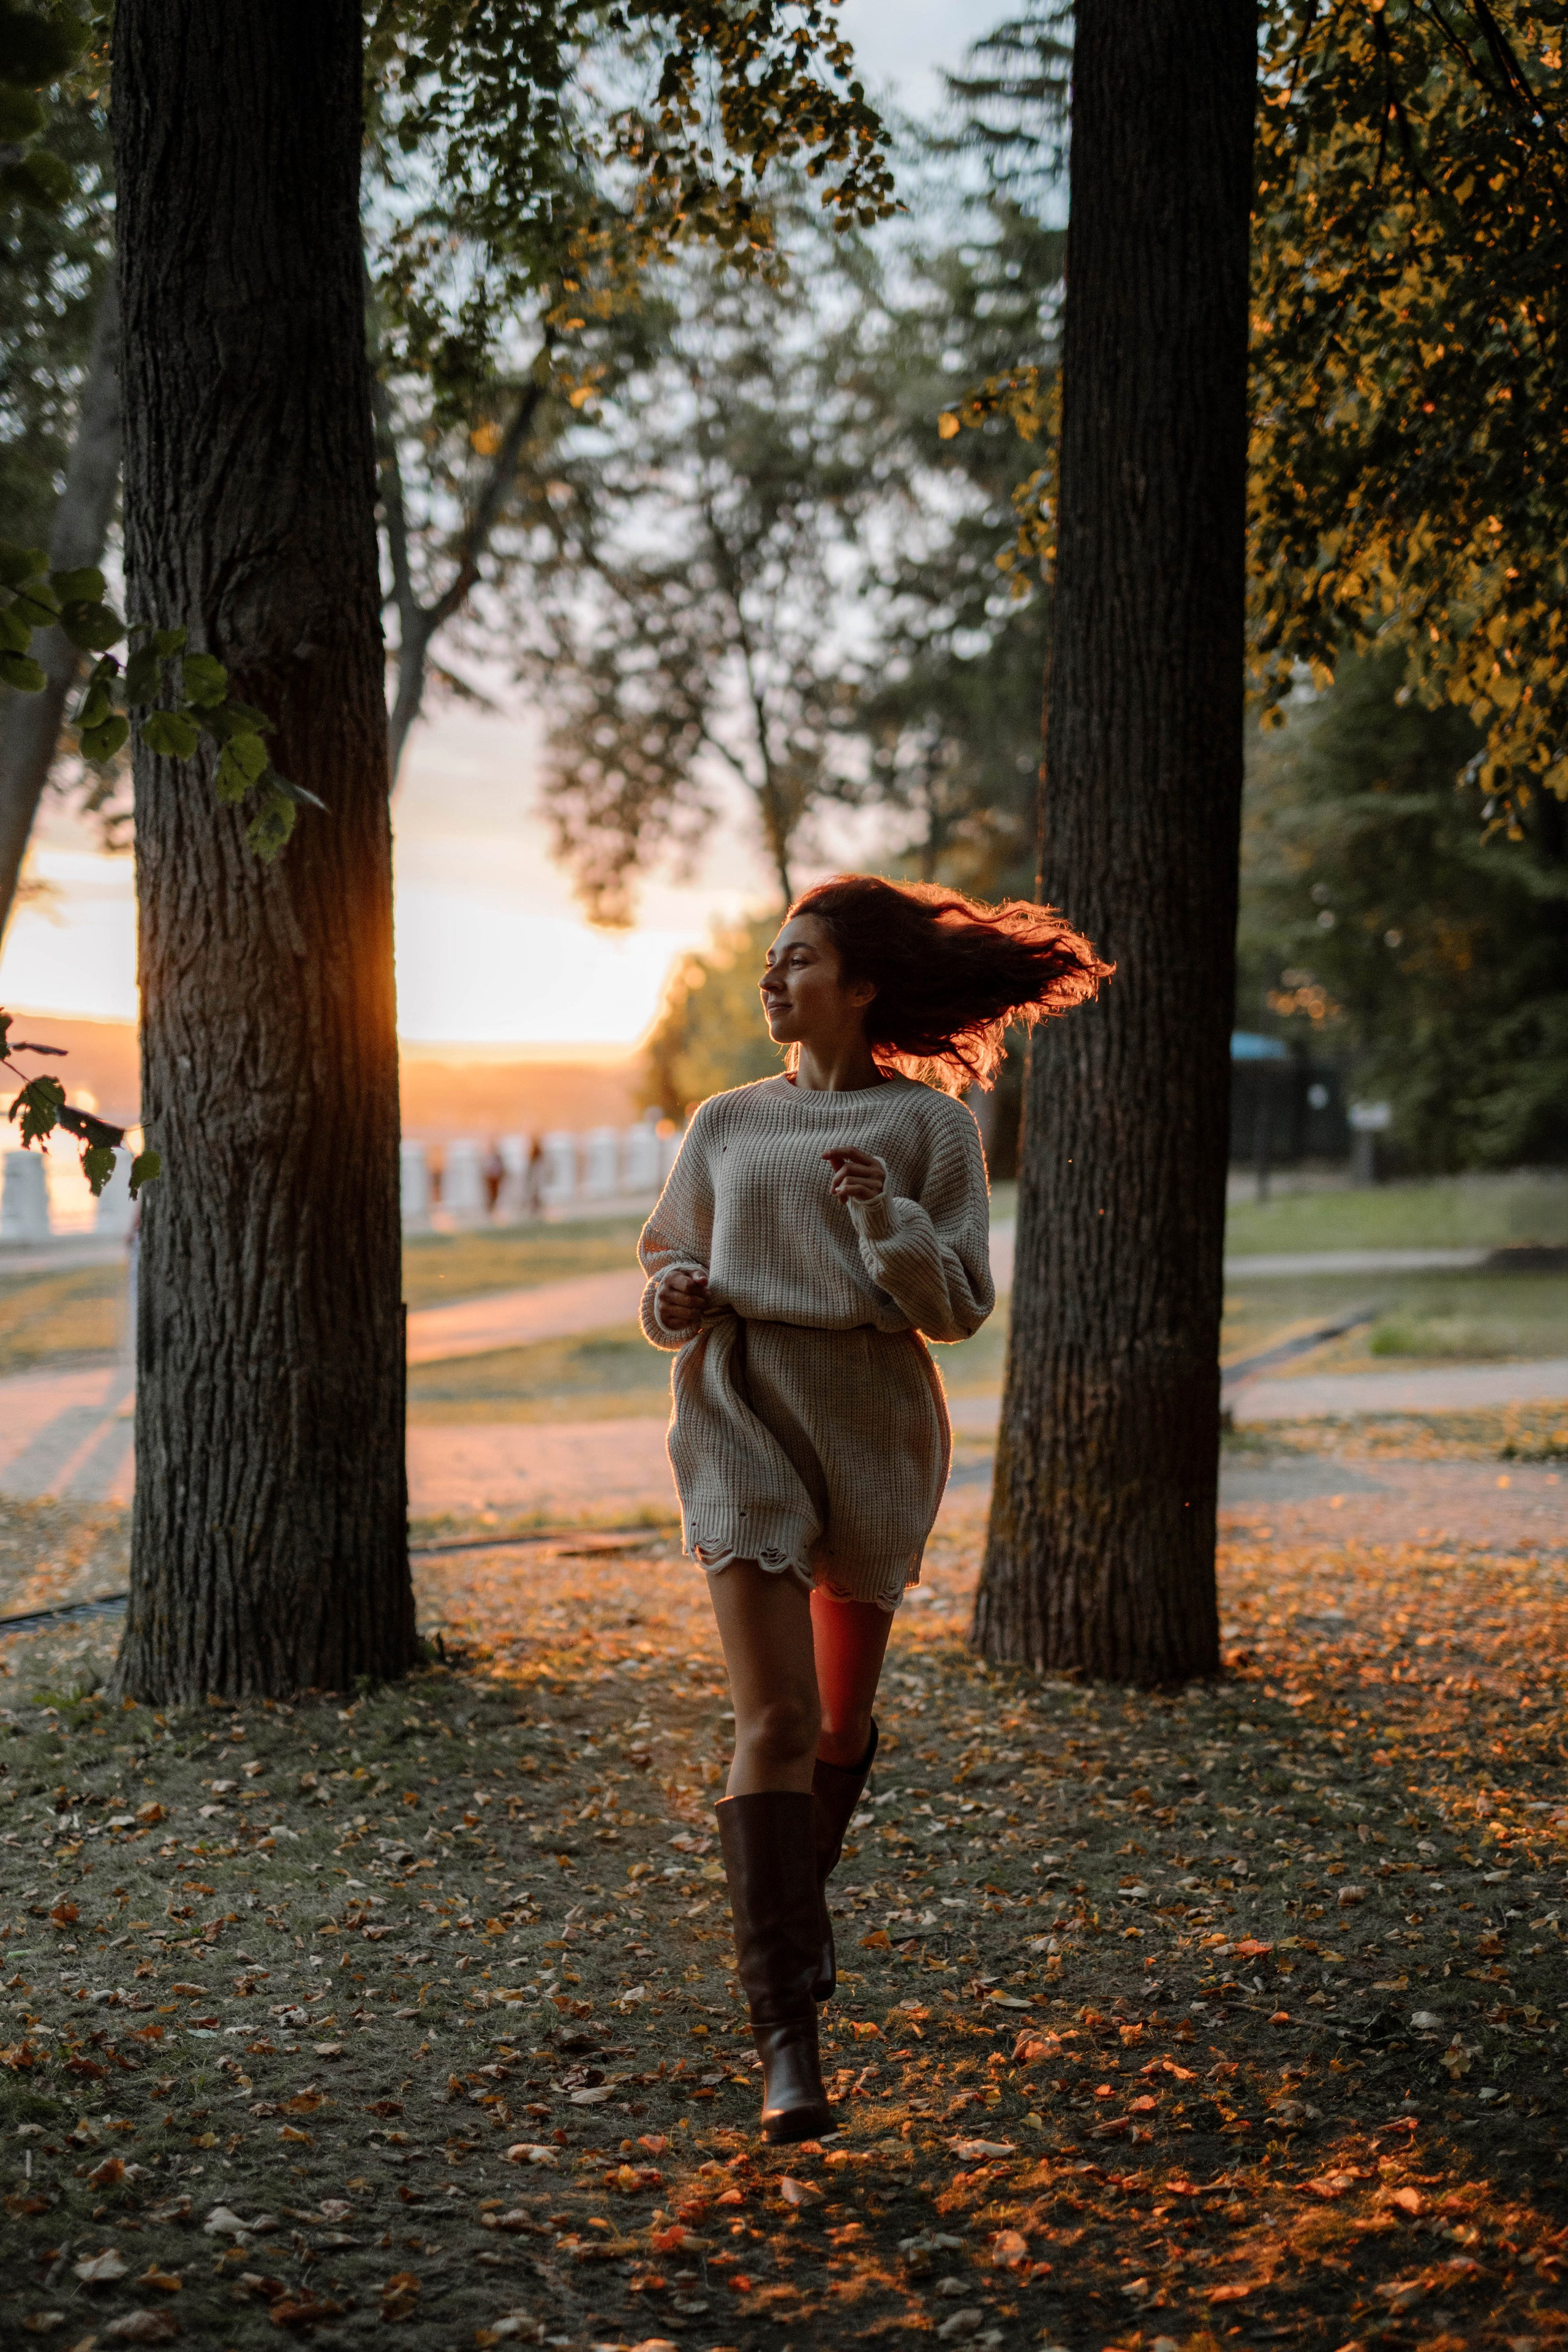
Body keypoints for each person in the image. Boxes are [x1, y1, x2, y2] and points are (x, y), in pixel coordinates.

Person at [638, 872, 1109, 2142]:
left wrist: (884, 1216)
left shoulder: (930, 1131)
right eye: (769, 960)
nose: (771, 979)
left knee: (840, 1722)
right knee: (777, 1715)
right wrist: (676, 1301)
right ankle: (785, 2037)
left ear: (860, 987)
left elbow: (955, 1307)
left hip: (872, 1426)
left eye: (796, 960)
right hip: (739, 1405)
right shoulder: (723, 1124)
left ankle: (796, 1897)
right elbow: (664, 1262)